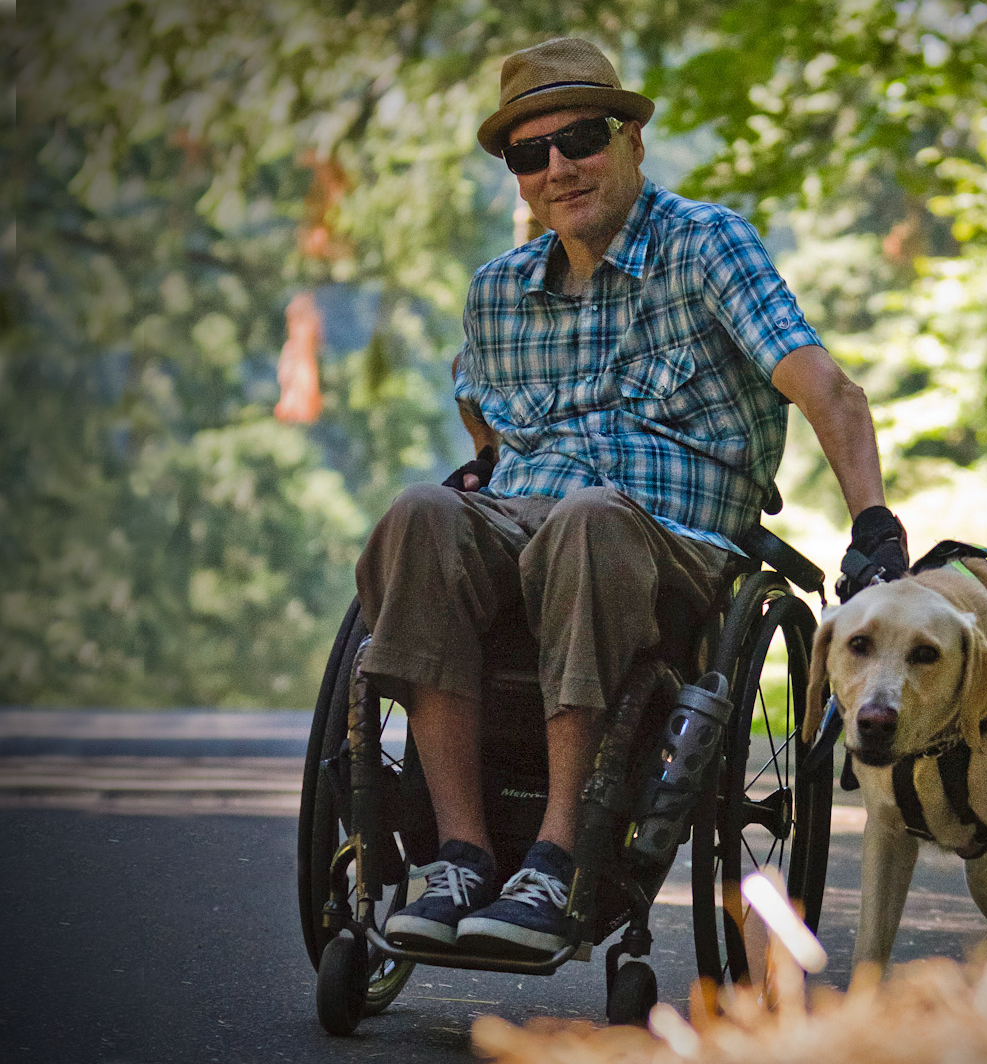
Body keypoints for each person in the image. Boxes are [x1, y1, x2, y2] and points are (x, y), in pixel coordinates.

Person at [356, 36, 907, 961]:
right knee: (420, 512)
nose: (558, 168)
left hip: (668, 536)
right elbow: (477, 404)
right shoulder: (498, 293)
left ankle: (558, 860)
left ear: (631, 141)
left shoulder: (706, 245)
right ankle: (459, 855)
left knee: (589, 520)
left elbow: (828, 389)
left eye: (580, 139)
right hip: (528, 525)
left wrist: (875, 526)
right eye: (530, 154)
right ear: (517, 176)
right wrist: (483, 471)